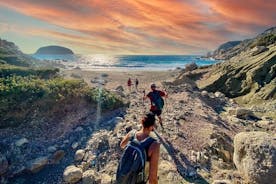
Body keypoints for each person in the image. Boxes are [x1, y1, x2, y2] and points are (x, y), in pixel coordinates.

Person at [119, 113, 160, 184]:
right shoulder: (154, 145)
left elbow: (122, 145)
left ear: (142, 122)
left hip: (123, 177)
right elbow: (152, 177)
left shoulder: (132, 133)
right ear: (152, 127)